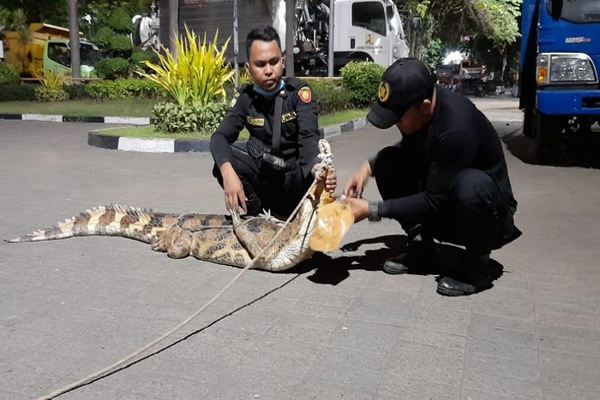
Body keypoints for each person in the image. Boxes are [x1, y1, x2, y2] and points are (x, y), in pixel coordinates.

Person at [342, 58, 521, 296]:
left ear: (425, 106)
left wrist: (370, 209)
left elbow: (434, 200)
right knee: (387, 161)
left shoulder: (457, 127)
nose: (396, 125)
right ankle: (421, 249)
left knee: (470, 186)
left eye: (398, 119)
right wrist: (367, 167)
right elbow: (421, 148)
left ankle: (477, 266)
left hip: (486, 215)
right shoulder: (427, 112)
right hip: (445, 199)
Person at [210, 26, 335, 219]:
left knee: (319, 175)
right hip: (265, 180)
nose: (269, 70)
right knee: (223, 163)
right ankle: (258, 215)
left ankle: (301, 214)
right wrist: (227, 172)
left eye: (274, 62)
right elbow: (219, 138)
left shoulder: (299, 94)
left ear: (282, 62)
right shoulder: (246, 99)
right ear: (249, 69)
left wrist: (318, 168)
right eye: (260, 64)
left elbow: (309, 140)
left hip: (296, 181)